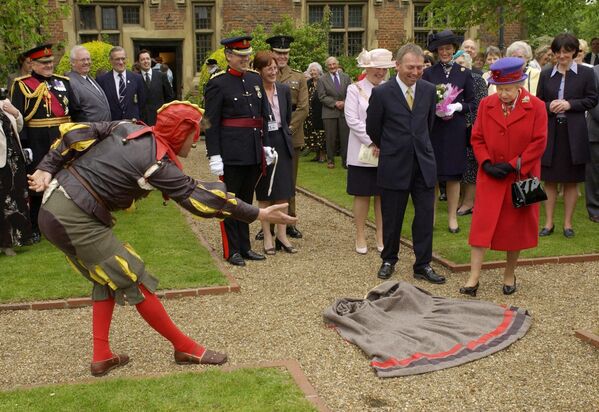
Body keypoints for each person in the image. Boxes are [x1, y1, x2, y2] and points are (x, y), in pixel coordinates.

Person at [27, 101, 297, 377]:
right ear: (181, 131)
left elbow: (77, 133)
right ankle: (185, 347)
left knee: (106, 277)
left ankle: (102, 355)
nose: (195, 143)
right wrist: (258, 212)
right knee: (133, 276)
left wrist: (47, 166)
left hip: (58, 205)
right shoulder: (155, 163)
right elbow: (196, 196)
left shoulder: (127, 127)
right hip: (74, 215)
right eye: (195, 134)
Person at [461, 57, 548, 296]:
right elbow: (477, 137)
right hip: (490, 175)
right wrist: (486, 162)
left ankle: (509, 275)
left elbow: (539, 143)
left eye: (508, 89)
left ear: (520, 84)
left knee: (515, 229)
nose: (503, 94)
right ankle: (473, 277)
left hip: (521, 176)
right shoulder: (486, 104)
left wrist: (513, 165)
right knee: (481, 227)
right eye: (499, 89)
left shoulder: (537, 106)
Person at [366, 43, 445, 285]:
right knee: (392, 216)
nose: (416, 72)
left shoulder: (429, 90)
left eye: (420, 67)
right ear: (397, 65)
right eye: (411, 67)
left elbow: (428, 124)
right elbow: (373, 128)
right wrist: (392, 147)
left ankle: (423, 264)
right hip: (394, 163)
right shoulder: (381, 93)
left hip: (423, 163)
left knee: (424, 216)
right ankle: (389, 259)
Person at [204, 35, 274, 266]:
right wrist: (214, 154)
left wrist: (264, 146)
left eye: (247, 56)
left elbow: (262, 116)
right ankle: (231, 249)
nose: (246, 60)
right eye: (241, 56)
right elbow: (209, 122)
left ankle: (245, 246)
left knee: (246, 201)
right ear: (228, 55)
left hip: (253, 152)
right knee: (229, 203)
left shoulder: (254, 80)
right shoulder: (217, 83)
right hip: (231, 153)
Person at [536, 33, 598, 238]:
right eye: (558, 52)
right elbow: (538, 103)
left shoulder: (586, 74)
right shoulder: (546, 74)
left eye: (566, 51)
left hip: (575, 132)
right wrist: (548, 106)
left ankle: (568, 224)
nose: (562, 56)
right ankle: (548, 223)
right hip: (552, 132)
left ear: (574, 52)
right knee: (550, 180)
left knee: (572, 180)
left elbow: (591, 100)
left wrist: (570, 104)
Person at [10, 44, 73, 243]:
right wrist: (25, 145)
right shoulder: (22, 85)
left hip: (62, 139)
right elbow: (19, 120)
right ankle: (36, 226)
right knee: (37, 185)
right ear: (33, 64)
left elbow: (75, 112)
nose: (49, 65)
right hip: (37, 141)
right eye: (44, 63)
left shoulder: (64, 82)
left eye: (50, 62)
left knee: (65, 181)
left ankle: (66, 222)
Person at [422, 29, 475, 234]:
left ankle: (453, 217)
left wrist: (457, 107)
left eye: (448, 48)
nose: (445, 52)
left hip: (455, 130)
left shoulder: (464, 73)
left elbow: (473, 103)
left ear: (454, 50)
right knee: (433, 176)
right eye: (441, 49)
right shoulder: (428, 73)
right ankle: (432, 217)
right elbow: (422, 100)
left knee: (453, 176)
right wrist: (434, 108)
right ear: (436, 51)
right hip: (434, 130)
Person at [345, 48, 394, 255]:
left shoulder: (390, 89)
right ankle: (360, 235)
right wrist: (372, 142)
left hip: (386, 151)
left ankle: (381, 236)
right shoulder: (354, 89)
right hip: (362, 151)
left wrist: (386, 143)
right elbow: (353, 120)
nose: (381, 72)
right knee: (363, 194)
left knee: (382, 196)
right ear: (368, 67)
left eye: (384, 68)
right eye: (377, 68)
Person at [265, 35, 308, 240]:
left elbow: (303, 107)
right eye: (278, 53)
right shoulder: (263, 74)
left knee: (289, 180)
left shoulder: (298, 77)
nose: (282, 57)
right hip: (268, 134)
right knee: (268, 180)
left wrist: (288, 128)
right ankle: (268, 224)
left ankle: (290, 220)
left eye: (285, 53)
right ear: (271, 53)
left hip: (291, 134)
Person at [252, 51, 296, 254]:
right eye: (268, 68)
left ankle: (282, 235)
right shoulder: (254, 91)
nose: (273, 71)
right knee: (265, 190)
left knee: (283, 190)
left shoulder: (284, 90)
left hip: (282, 141)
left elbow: (286, 119)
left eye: (275, 67)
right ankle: (267, 236)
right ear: (259, 70)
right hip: (262, 143)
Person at [453, 51, 487, 217]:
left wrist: (473, 125)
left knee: (472, 164)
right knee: (461, 164)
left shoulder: (477, 79)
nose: (460, 67)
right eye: (457, 63)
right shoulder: (453, 80)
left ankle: (469, 202)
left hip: (472, 127)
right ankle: (461, 199)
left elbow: (481, 105)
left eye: (462, 63)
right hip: (456, 126)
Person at [1, 98, 32, 255]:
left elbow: (18, 126)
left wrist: (16, 112)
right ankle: (5, 244)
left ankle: (18, 239)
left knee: (18, 198)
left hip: (15, 160)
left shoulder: (4, 102)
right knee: (3, 202)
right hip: (1, 163)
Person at [317, 56, 351, 169]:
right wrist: (335, 103)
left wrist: (345, 102)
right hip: (329, 112)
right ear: (326, 67)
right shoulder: (322, 79)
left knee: (345, 138)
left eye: (334, 64)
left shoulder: (346, 77)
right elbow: (321, 96)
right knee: (330, 138)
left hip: (344, 112)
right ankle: (330, 160)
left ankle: (345, 161)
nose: (332, 66)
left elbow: (351, 92)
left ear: (337, 64)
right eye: (329, 65)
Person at [97, 46, 145, 121]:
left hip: (133, 126)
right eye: (117, 59)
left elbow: (142, 104)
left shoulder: (137, 78)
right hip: (112, 126)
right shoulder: (102, 80)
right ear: (110, 61)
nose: (121, 62)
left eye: (123, 59)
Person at [66, 45, 111, 122]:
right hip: (89, 130)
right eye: (83, 60)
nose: (86, 62)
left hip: (103, 128)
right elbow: (76, 112)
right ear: (73, 62)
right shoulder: (70, 82)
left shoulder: (89, 78)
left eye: (88, 59)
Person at [138, 49, 174, 126]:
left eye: (147, 59)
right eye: (142, 59)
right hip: (141, 120)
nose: (145, 61)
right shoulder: (135, 78)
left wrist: (165, 113)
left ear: (151, 60)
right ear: (139, 62)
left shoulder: (161, 76)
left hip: (159, 119)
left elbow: (170, 96)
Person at [303, 62, 326, 163]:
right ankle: (316, 155)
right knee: (311, 135)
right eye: (311, 70)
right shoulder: (308, 83)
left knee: (321, 134)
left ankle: (322, 155)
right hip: (309, 114)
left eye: (314, 70)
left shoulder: (324, 81)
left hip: (320, 112)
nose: (312, 72)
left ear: (319, 71)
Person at [586, 63, 599, 223]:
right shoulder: (594, 72)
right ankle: (595, 208)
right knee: (595, 173)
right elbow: (592, 101)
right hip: (596, 131)